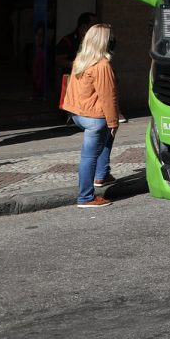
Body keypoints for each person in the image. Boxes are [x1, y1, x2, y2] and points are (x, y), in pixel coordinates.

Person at [59, 23, 119, 208]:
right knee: (89, 156)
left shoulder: (81, 59)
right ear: (104, 42)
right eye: (111, 37)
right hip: (94, 117)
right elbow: (108, 97)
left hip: (78, 113)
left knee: (103, 140)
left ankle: (102, 175)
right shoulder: (102, 65)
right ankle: (86, 197)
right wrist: (113, 121)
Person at [55, 11, 99, 106]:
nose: (97, 30)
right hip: (73, 77)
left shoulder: (95, 42)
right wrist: (79, 65)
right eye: (94, 26)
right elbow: (59, 60)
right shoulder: (68, 40)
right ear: (84, 27)